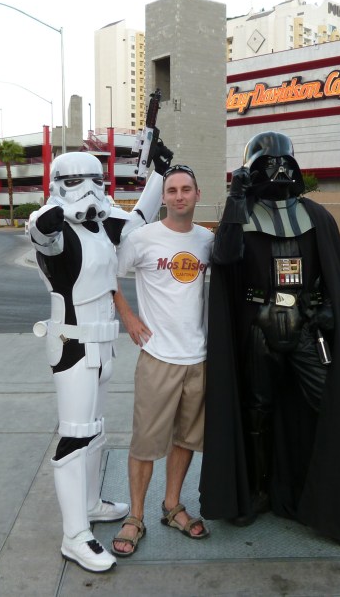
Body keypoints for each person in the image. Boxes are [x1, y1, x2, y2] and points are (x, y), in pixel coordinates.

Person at [198, 131, 340, 549]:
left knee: (328, 404)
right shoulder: (243, 217)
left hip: (306, 328)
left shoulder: (317, 217)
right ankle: (258, 491)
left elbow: (332, 275)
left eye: (282, 163)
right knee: (256, 413)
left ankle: (332, 498)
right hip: (259, 327)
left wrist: (328, 308)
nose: (276, 170)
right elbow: (224, 257)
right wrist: (235, 200)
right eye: (267, 164)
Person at [29, 146, 171, 573]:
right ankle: (74, 535)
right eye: (77, 182)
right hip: (72, 345)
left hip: (103, 345)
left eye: (96, 181)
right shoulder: (55, 228)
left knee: (94, 430)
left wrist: (159, 175)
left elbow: (138, 222)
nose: (89, 190)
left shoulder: (102, 227)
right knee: (75, 435)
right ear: (59, 185)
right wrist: (55, 214)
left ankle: (90, 504)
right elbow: (41, 231)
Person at [110, 164, 214, 557]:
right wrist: (128, 317)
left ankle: (172, 506)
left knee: (186, 439)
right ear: (164, 197)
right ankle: (135, 516)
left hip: (198, 357)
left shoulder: (207, 240)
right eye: (172, 190)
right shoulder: (142, 239)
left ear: (197, 194)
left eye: (186, 189)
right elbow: (107, 275)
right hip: (158, 356)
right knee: (145, 443)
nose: (179, 196)